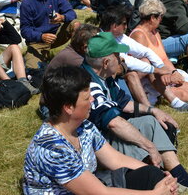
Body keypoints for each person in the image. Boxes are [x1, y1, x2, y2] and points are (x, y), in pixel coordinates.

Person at [82, 32, 188, 195]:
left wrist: (154, 110)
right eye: (117, 55)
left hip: (105, 133)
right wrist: (149, 146)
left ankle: (185, 182)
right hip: (97, 147)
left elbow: (124, 104)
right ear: (105, 62)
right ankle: (168, 183)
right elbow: (113, 123)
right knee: (135, 141)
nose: (121, 59)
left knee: (151, 121)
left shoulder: (103, 76)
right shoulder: (88, 84)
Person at [23, 66, 179, 195]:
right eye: (87, 98)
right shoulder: (52, 148)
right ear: (68, 107)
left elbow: (116, 159)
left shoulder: (84, 127)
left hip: (93, 187)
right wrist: (155, 193)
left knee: (152, 175)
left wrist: (161, 176)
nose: (92, 100)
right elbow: (100, 193)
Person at [20, 0, 78, 68]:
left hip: (57, 35)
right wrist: (41, 36)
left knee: (75, 24)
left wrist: (63, 17)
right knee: (33, 70)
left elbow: (71, 13)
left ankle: (80, 54)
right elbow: (25, 30)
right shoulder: (27, 3)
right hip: (37, 43)